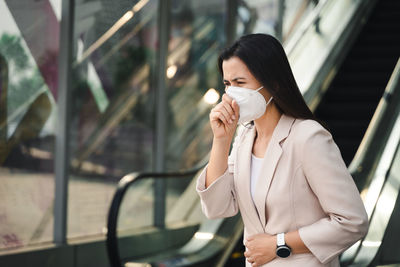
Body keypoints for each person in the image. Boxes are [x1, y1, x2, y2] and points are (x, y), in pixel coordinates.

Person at [196, 33, 368, 267]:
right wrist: (221, 141)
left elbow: (352, 221)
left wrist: (279, 243)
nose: (231, 94)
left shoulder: (307, 137)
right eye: (227, 84)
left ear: (273, 83)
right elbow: (217, 208)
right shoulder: (244, 138)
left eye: (240, 83)